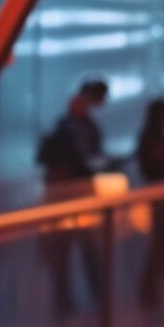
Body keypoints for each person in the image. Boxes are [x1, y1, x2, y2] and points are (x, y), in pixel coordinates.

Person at [37, 78, 113, 313]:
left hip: (78, 197)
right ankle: (69, 299)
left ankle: (91, 296)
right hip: (70, 198)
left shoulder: (83, 128)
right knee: (69, 250)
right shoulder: (70, 130)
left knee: (84, 249)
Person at [135, 98, 164, 309]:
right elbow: (156, 169)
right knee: (159, 247)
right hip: (160, 202)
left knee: (163, 247)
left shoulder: (163, 139)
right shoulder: (151, 140)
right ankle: (150, 292)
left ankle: (158, 293)